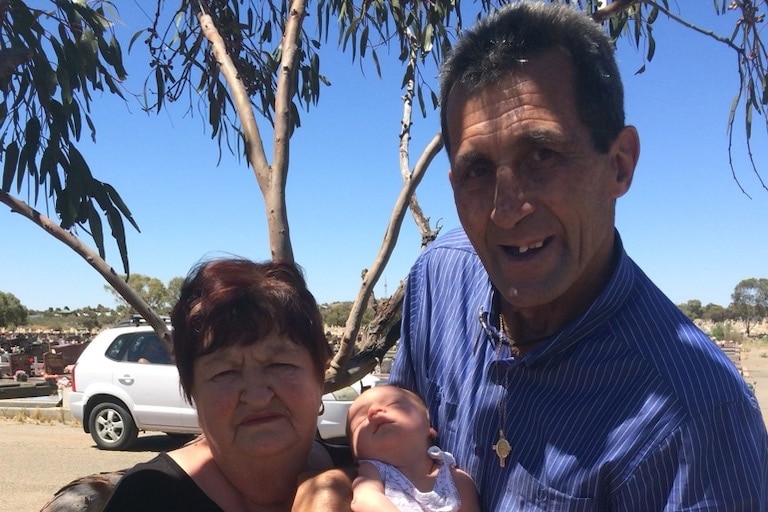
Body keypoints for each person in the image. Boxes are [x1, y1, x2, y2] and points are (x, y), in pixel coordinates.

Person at [388, 2, 768, 510]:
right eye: (478, 170)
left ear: (620, 165)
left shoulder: (699, 420)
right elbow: (388, 455)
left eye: (541, 155)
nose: (506, 211)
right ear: (453, 183)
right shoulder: (438, 283)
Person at [104, 258, 352, 511]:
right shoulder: (148, 496)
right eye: (225, 373)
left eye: (279, 365)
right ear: (192, 389)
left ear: (318, 373)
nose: (257, 397)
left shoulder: (376, 474)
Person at [346, 385, 480, 512]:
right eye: (360, 420)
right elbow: (364, 499)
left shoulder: (456, 478)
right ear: (355, 453)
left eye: (394, 404)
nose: (373, 411)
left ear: (430, 428)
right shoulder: (373, 471)